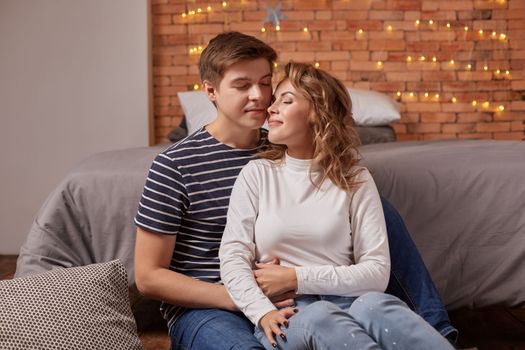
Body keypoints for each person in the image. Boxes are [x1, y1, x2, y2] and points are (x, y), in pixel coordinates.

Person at [134, 31, 456, 350]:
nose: (261, 97)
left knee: (377, 210)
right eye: (242, 85)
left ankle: (437, 334)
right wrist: (245, 298)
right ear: (211, 92)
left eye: (264, 83)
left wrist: (293, 281)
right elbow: (148, 277)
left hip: (290, 292)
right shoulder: (174, 165)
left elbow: (327, 163)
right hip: (209, 305)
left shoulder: (281, 143)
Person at [219, 61, 454, 350]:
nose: (271, 108)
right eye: (275, 99)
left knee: (377, 305)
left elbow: (377, 273)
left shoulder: (355, 179)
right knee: (320, 314)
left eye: (287, 100)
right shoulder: (257, 174)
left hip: (354, 302)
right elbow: (233, 257)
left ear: (317, 113)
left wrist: (297, 276)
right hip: (291, 314)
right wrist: (261, 312)